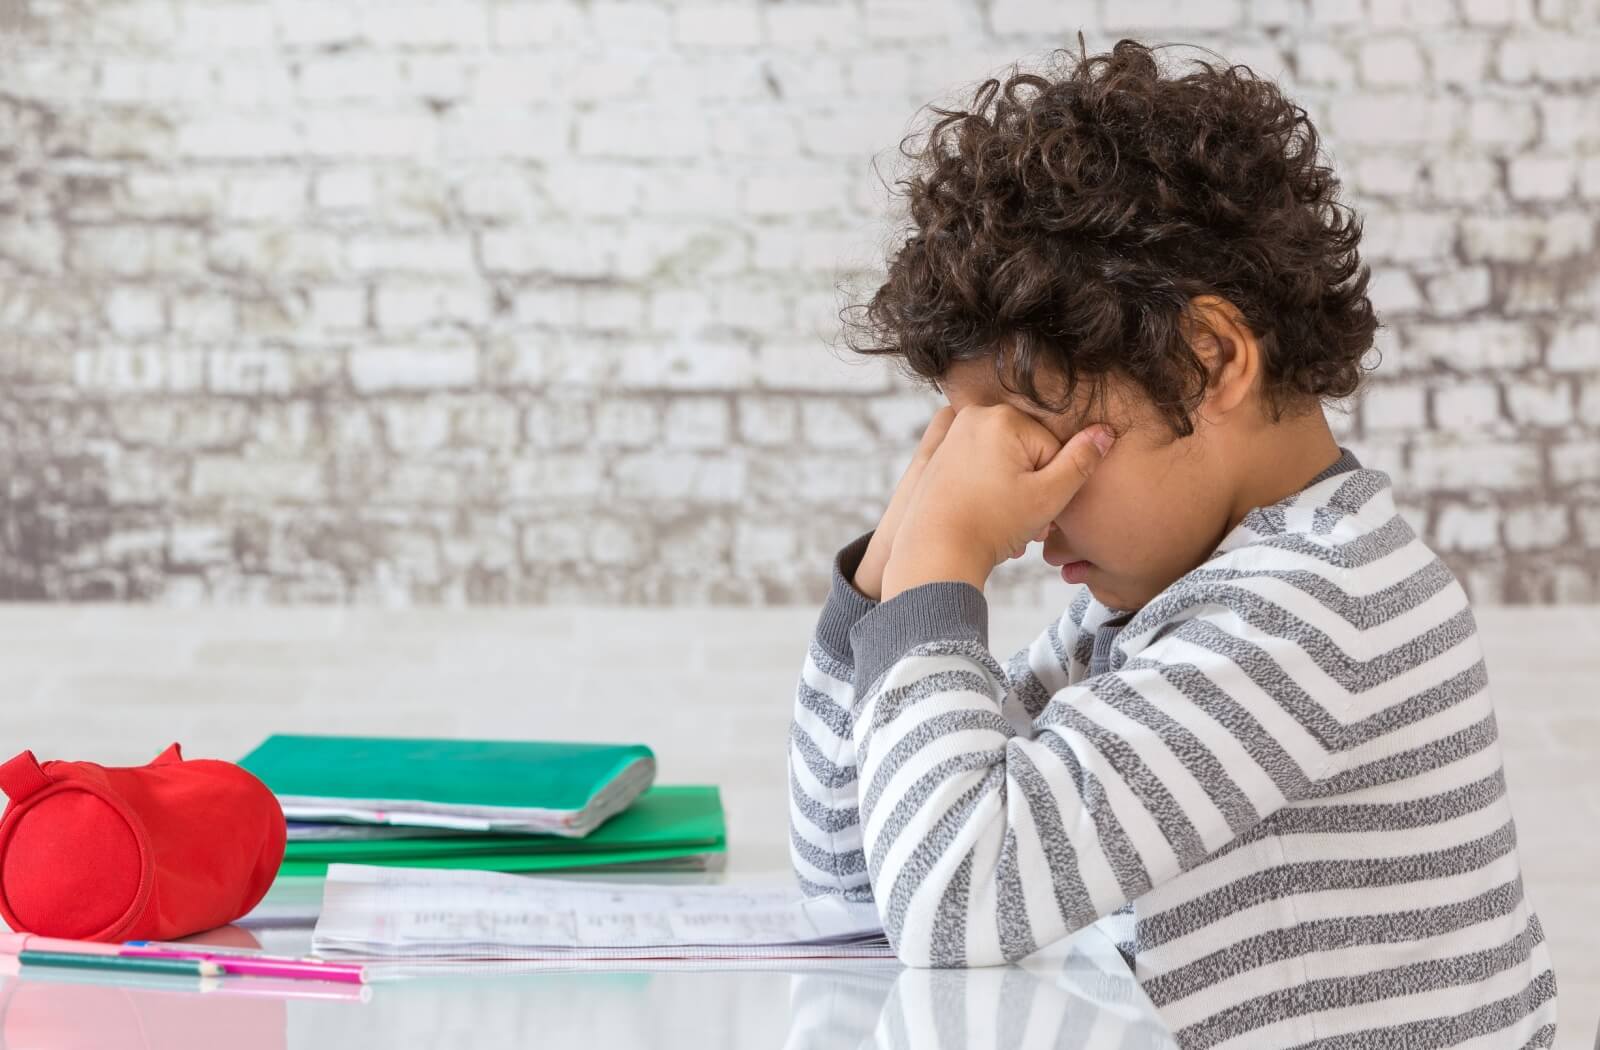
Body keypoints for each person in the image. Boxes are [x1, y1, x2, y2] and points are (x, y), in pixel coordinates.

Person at [786, 39, 1558, 1049]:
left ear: (1208, 358)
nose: (1020, 506)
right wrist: (893, 572)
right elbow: (860, 880)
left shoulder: (1312, 610)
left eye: (1037, 434)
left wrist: (944, 570)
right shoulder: (1159, 613)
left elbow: (953, 899)